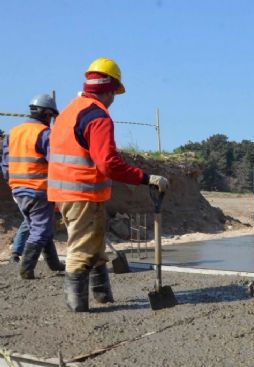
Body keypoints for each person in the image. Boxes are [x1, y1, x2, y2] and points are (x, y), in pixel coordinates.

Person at [47, 58, 168, 312]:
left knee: (95, 246)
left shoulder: (69, 111)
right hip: (82, 193)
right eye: (115, 93)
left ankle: (103, 297)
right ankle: (76, 309)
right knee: (81, 251)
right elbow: (108, 164)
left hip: (64, 192)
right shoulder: (97, 116)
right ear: (110, 89)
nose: (115, 98)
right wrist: (146, 178)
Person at [1, 94, 65, 278]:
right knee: (41, 229)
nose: (51, 120)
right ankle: (26, 268)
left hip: (17, 189)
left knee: (38, 227)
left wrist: (14, 183)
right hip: (38, 189)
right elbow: (55, 164)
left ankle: (54, 264)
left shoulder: (13, 132)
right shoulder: (45, 134)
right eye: (51, 116)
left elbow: (5, 164)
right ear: (46, 114)